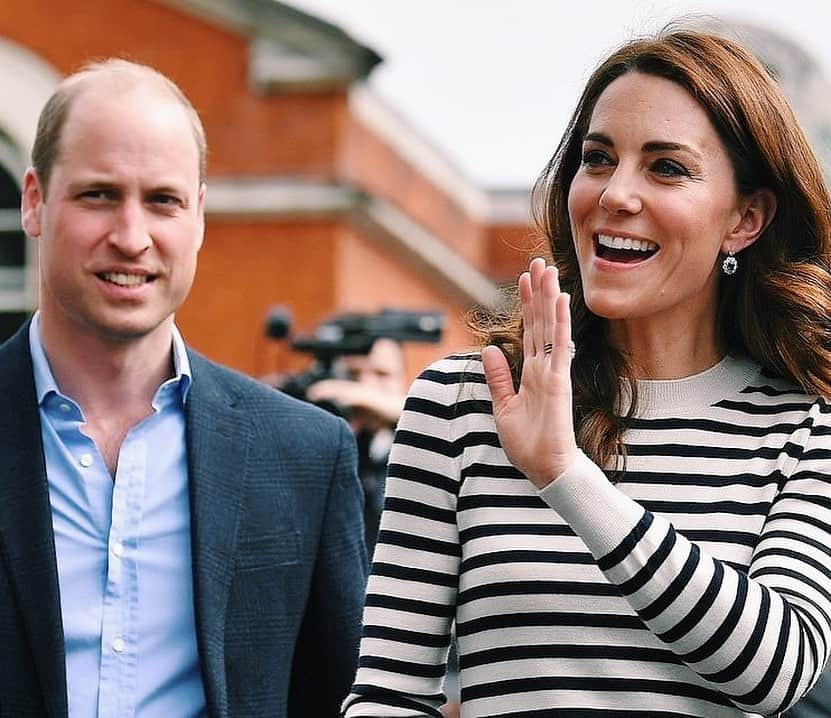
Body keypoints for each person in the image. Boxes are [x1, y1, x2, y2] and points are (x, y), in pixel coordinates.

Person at [342, 27, 831, 718]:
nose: (613, 194)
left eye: (665, 168)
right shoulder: (460, 402)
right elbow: (387, 693)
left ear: (745, 218)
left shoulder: (805, 427)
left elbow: (773, 670)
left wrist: (566, 477)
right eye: (597, 159)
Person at [0, 59, 367, 717]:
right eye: (99, 195)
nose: (131, 237)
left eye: (162, 200)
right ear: (34, 200)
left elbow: (337, 700)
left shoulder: (304, 457)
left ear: (198, 214)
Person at [306, 337, 407, 552]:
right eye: (354, 375)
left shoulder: (415, 436)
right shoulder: (333, 441)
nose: (367, 385)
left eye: (382, 374)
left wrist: (357, 395)